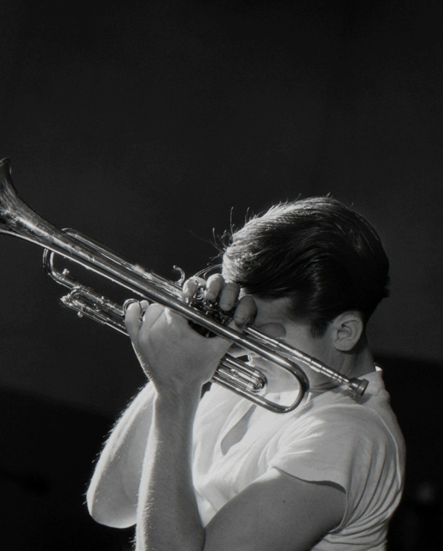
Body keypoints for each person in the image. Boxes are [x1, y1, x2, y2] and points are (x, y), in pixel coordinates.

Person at [86, 197, 405, 550]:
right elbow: (110, 507)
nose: (245, 343)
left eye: (263, 332)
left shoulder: (350, 433)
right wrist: (175, 357)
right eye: (242, 321)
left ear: (344, 332)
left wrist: (175, 390)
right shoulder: (258, 382)